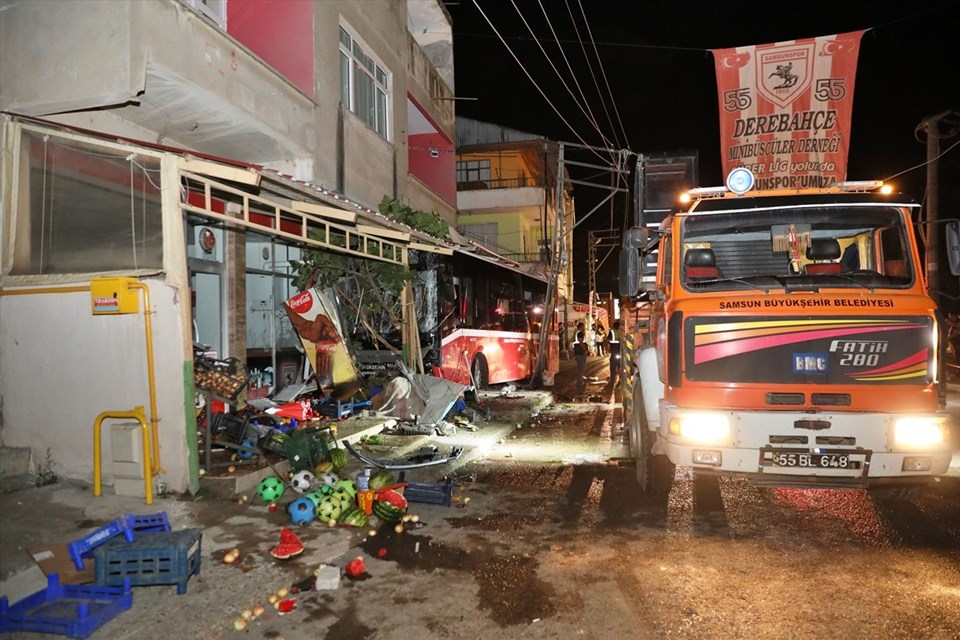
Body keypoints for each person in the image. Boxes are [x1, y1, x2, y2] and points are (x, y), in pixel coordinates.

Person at [574, 321, 589, 392]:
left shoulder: (578, 333)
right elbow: (581, 342)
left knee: (581, 368)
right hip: (580, 353)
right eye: (583, 326)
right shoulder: (580, 333)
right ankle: (579, 383)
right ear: (581, 327)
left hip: (578, 353)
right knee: (582, 368)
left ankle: (580, 382)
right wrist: (585, 350)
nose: (584, 328)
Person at [607, 320, 622, 384]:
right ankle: (618, 379)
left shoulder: (612, 331)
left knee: (613, 367)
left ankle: (613, 379)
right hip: (619, 351)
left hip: (614, 352)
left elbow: (607, 340)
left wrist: (608, 347)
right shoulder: (621, 331)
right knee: (620, 366)